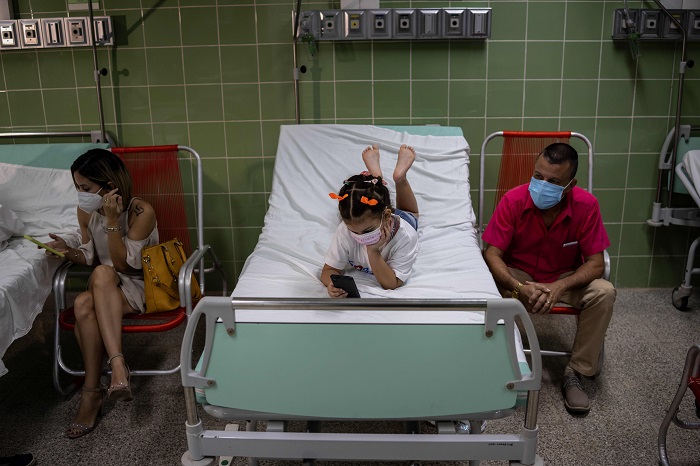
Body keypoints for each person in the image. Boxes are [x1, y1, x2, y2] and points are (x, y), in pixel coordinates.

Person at [482, 142, 615, 415]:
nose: (542, 185)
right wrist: (518, 287)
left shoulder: (586, 206)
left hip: (564, 277)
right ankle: (498, 364)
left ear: (570, 184)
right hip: (518, 276)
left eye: (553, 181)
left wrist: (559, 286)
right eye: (538, 176)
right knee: (482, 287)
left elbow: (595, 263)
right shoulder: (514, 200)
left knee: (604, 292)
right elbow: (492, 254)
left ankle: (575, 372)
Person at [46, 149, 158, 438]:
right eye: (77, 188)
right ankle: (109, 376)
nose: (81, 195)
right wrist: (67, 251)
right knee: (85, 299)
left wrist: (111, 221)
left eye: (85, 188)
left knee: (99, 280)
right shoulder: (85, 211)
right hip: (104, 286)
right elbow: (88, 255)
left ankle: (94, 390)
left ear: (109, 185)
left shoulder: (141, 212)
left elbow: (122, 264)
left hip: (138, 284)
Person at [321, 144, 420, 295]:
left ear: (386, 217)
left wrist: (373, 251)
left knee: (411, 214)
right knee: (376, 206)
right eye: (354, 231)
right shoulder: (344, 230)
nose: (360, 237)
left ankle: (400, 178)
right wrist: (331, 284)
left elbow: (391, 283)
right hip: (376, 213)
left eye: (367, 231)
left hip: (400, 219)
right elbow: (328, 270)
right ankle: (376, 182)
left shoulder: (405, 236)